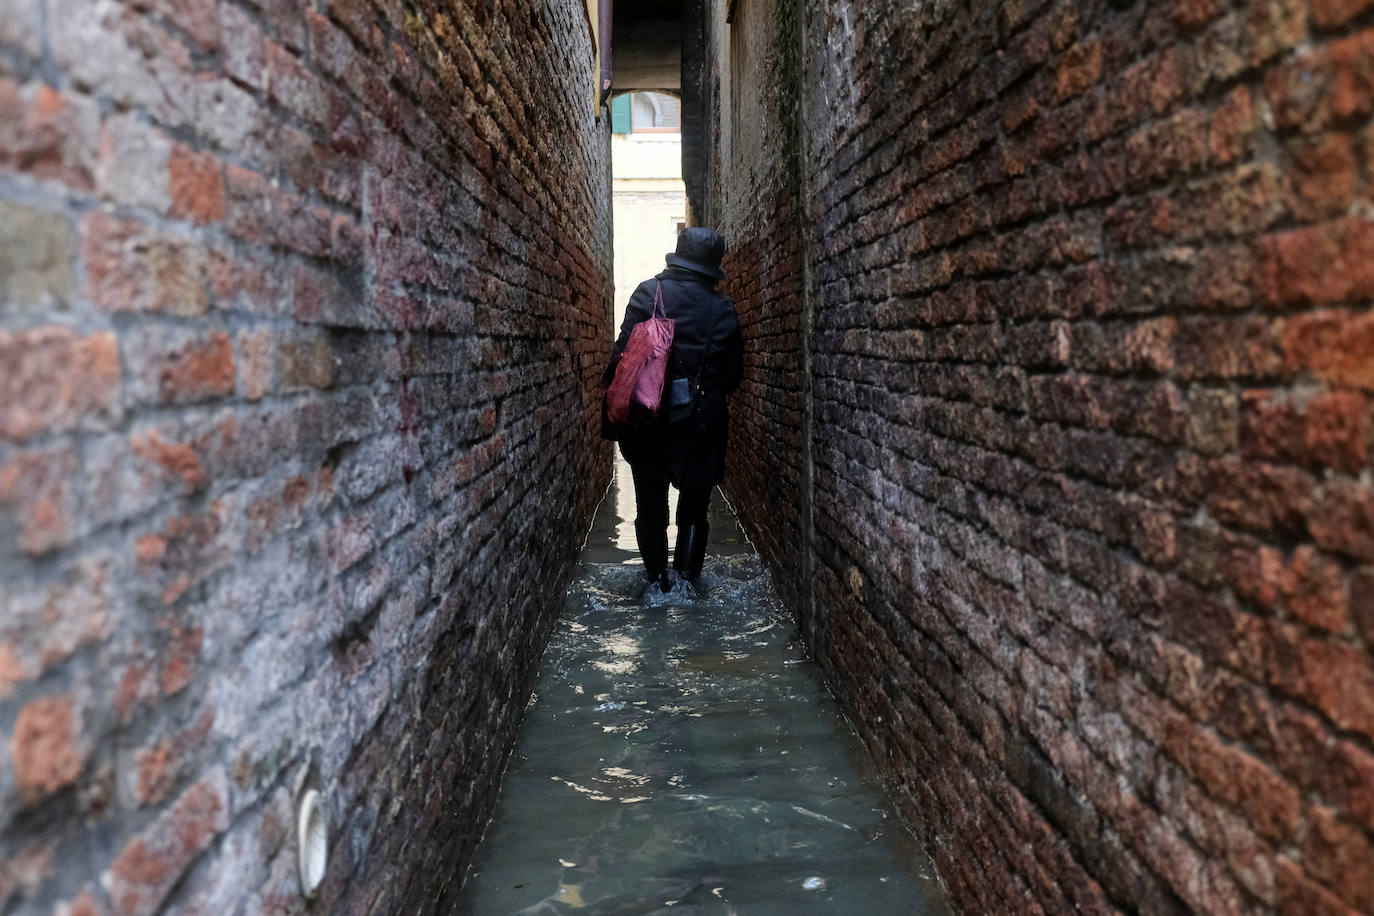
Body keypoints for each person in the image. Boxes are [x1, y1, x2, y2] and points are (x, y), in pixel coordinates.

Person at [602, 228, 744, 593]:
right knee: (695, 511)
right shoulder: (723, 308)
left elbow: (621, 357)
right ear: (712, 268)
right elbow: (732, 377)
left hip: (647, 421)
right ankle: (685, 588)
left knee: (650, 506)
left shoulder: (648, 293)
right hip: (701, 425)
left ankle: (655, 583)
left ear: (678, 257)